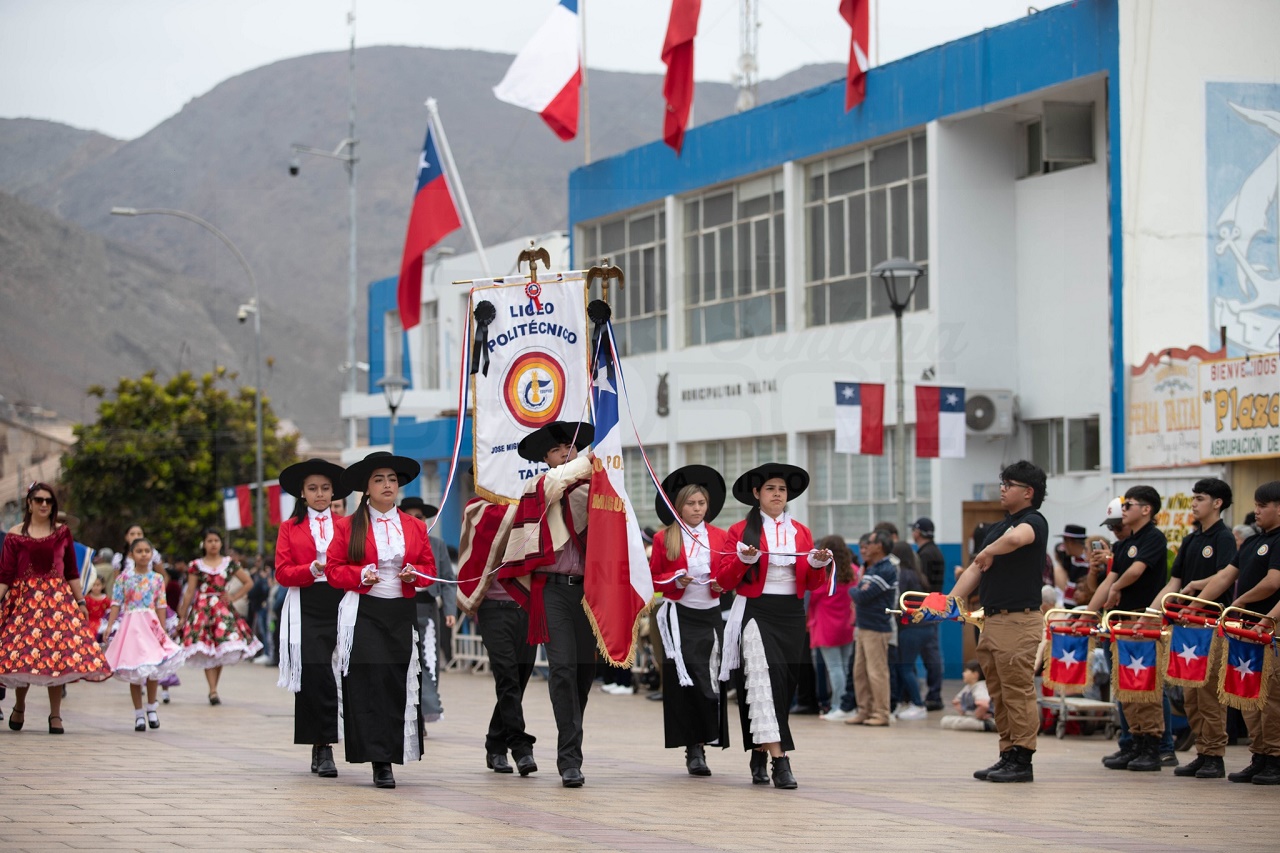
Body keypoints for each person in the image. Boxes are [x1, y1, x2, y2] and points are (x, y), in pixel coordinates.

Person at [715, 463, 833, 789]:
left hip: (791, 614)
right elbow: (724, 580)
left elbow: (813, 584)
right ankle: (781, 760)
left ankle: (758, 750)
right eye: (770, 488)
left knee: (782, 687)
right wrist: (743, 560)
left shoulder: (802, 532)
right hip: (756, 610)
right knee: (763, 681)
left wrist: (817, 565)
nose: (777, 494)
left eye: (782, 489)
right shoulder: (739, 531)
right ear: (757, 493)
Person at [325, 451, 436, 790]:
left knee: (395, 682)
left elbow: (430, 570)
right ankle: (379, 761)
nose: (387, 485)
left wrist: (415, 575)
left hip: (401, 612)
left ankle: (391, 751)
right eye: (379, 480)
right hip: (364, 611)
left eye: (391, 479)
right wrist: (360, 575)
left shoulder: (415, 526)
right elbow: (333, 570)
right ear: (367, 487)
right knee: (370, 681)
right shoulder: (348, 526)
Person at [497, 421, 596, 788]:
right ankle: (570, 759)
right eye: (556, 450)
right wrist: (595, 460)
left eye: (570, 447)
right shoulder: (538, 487)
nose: (565, 453)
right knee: (563, 669)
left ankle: (571, 738)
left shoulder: (597, 490)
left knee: (584, 674)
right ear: (545, 459)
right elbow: (556, 484)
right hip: (551, 591)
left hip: (588, 592)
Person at [948, 460, 1049, 783]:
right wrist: (949, 603)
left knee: (1017, 691)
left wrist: (990, 550)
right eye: (1002, 483)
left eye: (1009, 485)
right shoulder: (999, 528)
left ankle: (1023, 757)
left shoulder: (1034, 521)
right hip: (991, 621)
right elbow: (976, 568)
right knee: (999, 693)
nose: (1002, 489)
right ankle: (1007, 753)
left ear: (1028, 492)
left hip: (1018, 620)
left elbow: (1018, 540)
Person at [1188, 480, 1280, 784]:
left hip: (1270, 627)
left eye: (1262, 506)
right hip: (1248, 629)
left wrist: (1239, 602)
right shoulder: (1252, 542)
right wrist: (1197, 605)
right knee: (1248, 694)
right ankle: (1260, 755)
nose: (1256, 511)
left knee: (1272, 696)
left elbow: (1273, 582)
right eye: (1255, 505)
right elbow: (1226, 576)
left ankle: (1275, 757)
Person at [0, 483, 111, 733]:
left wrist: (80, 602)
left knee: (57, 656)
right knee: (23, 654)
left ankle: (55, 714)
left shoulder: (62, 533)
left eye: (48, 501)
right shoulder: (15, 534)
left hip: (57, 602)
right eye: (39, 500)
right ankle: (20, 706)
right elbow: (5, 574)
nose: (44, 504)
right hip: (24, 603)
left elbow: (71, 571)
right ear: (29, 503)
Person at [1147, 477, 1237, 779]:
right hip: (1185, 627)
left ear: (1217, 503)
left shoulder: (1223, 538)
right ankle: (1202, 751)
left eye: (1200, 498)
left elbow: (1226, 576)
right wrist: (1151, 613)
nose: (1194, 504)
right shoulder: (1191, 539)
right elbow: (1174, 582)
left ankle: (1215, 755)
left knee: (1209, 693)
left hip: (1209, 625)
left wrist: (1196, 602)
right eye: (1194, 498)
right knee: (1190, 696)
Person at [649, 465, 732, 776]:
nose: (697, 509)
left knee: (710, 680)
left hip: (710, 615)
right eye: (691, 504)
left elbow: (730, 573)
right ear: (679, 507)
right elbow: (653, 578)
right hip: (679, 616)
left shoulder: (721, 536)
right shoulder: (664, 538)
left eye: (701, 503)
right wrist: (675, 579)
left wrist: (723, 583)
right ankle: (694, 748)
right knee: (685, 682)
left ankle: (708, 736)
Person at [274, 457, 350, 779]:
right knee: (315, 673)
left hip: (342, 600)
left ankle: (354, 742)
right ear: (302, 493)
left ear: (333, 493)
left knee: (346, 673)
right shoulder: (289, 528)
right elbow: (282, 572)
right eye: (313, 488)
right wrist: (310, 569)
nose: (320, 494)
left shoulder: (347, 524)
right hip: (306, 602)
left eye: (325, 488)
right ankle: (322, 746)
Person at [455, 488, 537, 777]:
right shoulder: (479, 509)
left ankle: (495, 744)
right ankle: (520, 746)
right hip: (493, 608)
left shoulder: (535, 504)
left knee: (518, 679)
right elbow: (490, 529)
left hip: (526, 605)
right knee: (506, 676)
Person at [1089, 485, 1170, 772]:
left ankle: (1153, 746)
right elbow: (1109, 580)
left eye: (1128, 505)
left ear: (1146, 509)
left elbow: (1135, 571)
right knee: (1125, 686)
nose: (1123, 510)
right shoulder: (1124, 544)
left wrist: (1115, 589)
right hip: (1122, 622)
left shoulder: (1154, 538)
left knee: (1144, 685)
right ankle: (1135, 741)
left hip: (1143, 620)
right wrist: (1087, 614)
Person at [102, 536, 187, 731]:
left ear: (152, 554)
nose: (143, 555)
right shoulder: (124, 578)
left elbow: (161, 605)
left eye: (147, 551)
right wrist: (110, 625)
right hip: (131, 625)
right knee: (135, 668)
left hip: (151, 625)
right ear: (131, 555)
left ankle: (151, 707)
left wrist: (163, 629)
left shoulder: (157, 579)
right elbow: (116, 603)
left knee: (153, 666)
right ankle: (138, 713)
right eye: (139, 551)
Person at [177, 528, 263, 704]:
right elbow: (190, 591)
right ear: (204, 544)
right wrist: (183, 614)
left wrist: (233, 597)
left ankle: (214, 688)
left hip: (222, 612)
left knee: (220, 648)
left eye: (216, 540)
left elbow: (248, 582)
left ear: (221, 543)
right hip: (202, 610)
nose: (213, 544)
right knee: (207, 649)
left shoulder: (229, 563)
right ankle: (213, 690)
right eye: (210, 541)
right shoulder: (196, 565)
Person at [399, 495, 456, 725]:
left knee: (428, 661)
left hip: (428, 608)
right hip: (402, 607)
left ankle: (423, 715)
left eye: (419, 517)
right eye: (410, 517)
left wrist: (450, 610)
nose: (416, 521)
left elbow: (448, 579)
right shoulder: (395, 542)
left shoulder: (437, 544)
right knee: (404, 661)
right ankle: (406, 714)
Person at [847, 530, 897, 728]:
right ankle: (864, 710)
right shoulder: (872, 568)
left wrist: (855, 591)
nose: (866, 546)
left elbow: (862, 596)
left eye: (871, 542)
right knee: (859, 672)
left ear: (880, 546)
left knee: (877, 673)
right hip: (863, 626)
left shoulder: (886, 569)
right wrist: (858, 590)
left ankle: (881, 713)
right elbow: (860, 592)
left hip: (876, 628)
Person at [808, 536, 855, 722]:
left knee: (834, 669)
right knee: (845, 668)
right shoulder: (854, 571)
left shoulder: (823, 575)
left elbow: (811, 598)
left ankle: (838, 706)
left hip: (826, 627)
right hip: (847, 626)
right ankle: (848, 705)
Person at [911, 517, 945, 709]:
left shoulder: (924, 555)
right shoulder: (935, 551)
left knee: (930, 653)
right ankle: (934, 693)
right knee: (931, 652)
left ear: (918, 532)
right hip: (935, 604)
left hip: (927, 607)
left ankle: (934, 695)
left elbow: (922, 583)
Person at [940, 660, 994, 731]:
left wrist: (978, 715)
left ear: (975, 674)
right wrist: (964, 712)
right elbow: (956, 701)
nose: (963, 673)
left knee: (960, 723)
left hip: (987, 719)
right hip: (971, 717)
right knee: (945, 720)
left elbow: (984, 705)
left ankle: (989, 726)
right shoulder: (968, 687)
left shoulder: (980, 687)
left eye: (966, 671)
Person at [84, 568, 111, 641]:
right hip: (88, 621)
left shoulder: (106, 600)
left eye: (98, 585)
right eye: (93, 585)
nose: (95, 587)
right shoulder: (86, 599)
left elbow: (109, 613)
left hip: (102, 622)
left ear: (103, 585)